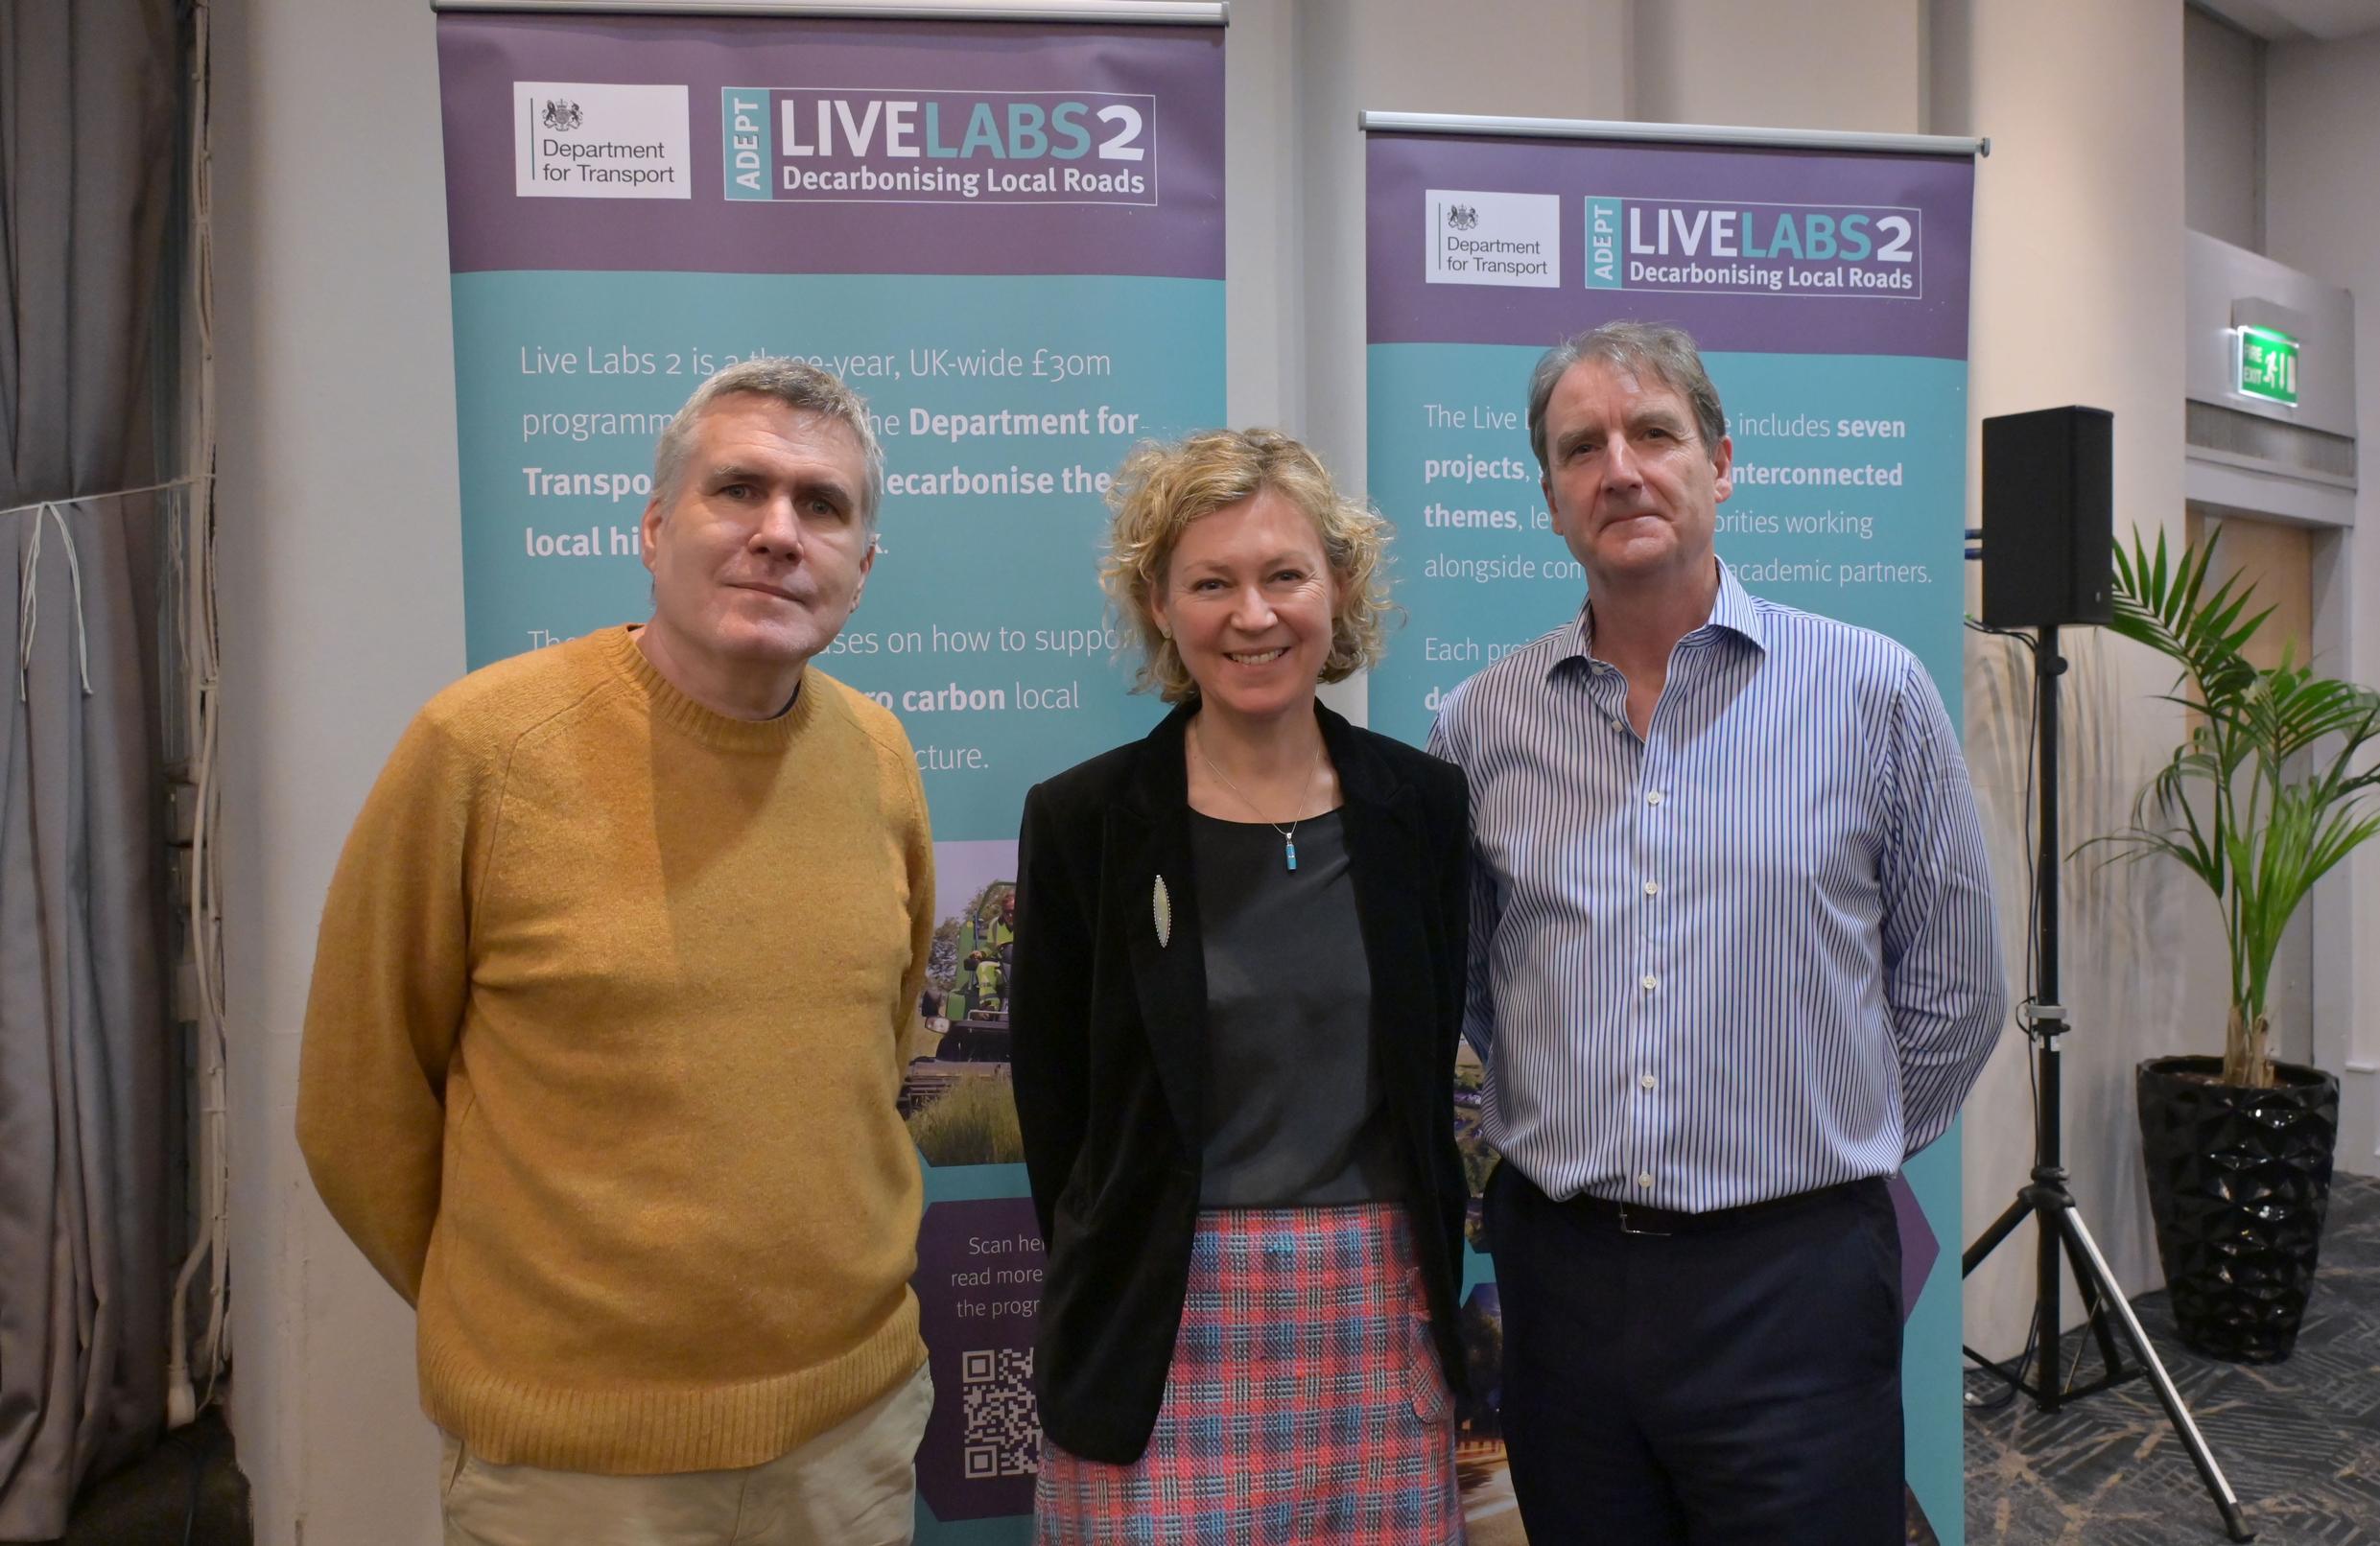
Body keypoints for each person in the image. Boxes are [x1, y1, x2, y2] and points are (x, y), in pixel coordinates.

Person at [296, 359, 935, 1546]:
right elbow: (356, 1102)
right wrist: (526, 1322)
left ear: (862, 567)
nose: (779, 534)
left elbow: (874, 1047)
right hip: (576, 1470)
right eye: (738, 489)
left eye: (823, 506)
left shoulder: (879, 757)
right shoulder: (481, 749)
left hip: (848, 1436)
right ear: (653, 527)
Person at [1426, 321, 2005, 1544]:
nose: (1620, 469)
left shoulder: (1869, 691)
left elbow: (1955, 989)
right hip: (1565, 1282)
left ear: (1722, 462)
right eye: (1581, 448)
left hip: (1794, 1281)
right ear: (1549, 498)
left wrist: (1829, 1142)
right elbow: (1484, 986)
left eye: (1654, 434)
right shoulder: (1481, 727)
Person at [1011, 429, 1473, 1542]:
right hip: (1159, 1321)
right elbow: (1056, 1114)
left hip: (1378, 1312)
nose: (1252, 614)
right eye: (1210, 582)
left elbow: (1426, 1064)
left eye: (1284, 575)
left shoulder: (1424, 809)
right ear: (1159, 606)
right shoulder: (1084, 822)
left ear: (1340, 586)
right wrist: (1130, 1266)